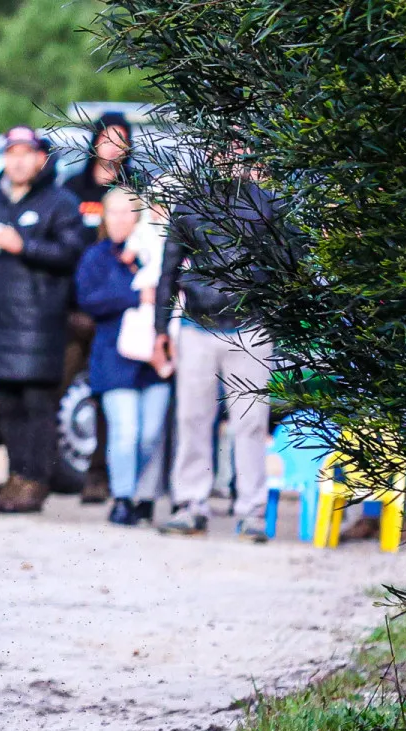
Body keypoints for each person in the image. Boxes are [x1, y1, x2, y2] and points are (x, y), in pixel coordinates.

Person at [152, 160, 282, 540]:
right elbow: (168, 269)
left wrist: (275, 314)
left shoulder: (267, 203)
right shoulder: (190, 204)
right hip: (197, 325)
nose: (231, 155)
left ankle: (252, 511)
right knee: (192, 419)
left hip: (251, 328)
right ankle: (190, 503)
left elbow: (286, 264)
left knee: (251, 423)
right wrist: (160, 328)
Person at [0, 125, 88, 513]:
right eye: (11, 153)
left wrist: (25, 246)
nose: (18, 161)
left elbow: (70, 254)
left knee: (38, 409)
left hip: (39, 325)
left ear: (40, 159)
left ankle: (36, 481)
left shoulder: (61, 203)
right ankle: (16, 479)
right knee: (9, 408)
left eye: (26, 153)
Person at [74, 188, 170, 525]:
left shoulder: (156, 253)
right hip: (114, 357)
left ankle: (146, 496)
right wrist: (136, 295)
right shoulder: (96, 256)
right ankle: (123, 496)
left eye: (127, 211)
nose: (118, 219)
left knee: (152, 432)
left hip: (155, 359)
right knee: (125, 430)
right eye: (112, 211)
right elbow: (89, 298)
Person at [63, 112, 143, 505]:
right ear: (94, 141)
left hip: (119, 320)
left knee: (109, 399)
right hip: (74, 312)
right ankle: (40, 473)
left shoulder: (137, 189)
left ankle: (101, 475)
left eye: (121, 138)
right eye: (106, 137)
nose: (113, 145)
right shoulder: (73, 187)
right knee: (58, 392)